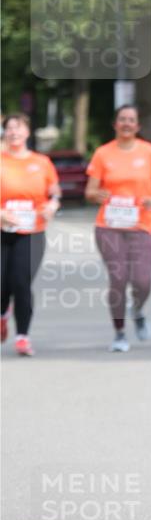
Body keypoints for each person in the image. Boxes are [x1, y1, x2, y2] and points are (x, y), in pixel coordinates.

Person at [85, 105, 151, 353]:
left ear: (137, 126)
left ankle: (138, 310)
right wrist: (96, 194)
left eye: (131, 120)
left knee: (143, 281)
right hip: (109, 226)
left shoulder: (150, 152)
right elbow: (90, 190)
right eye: (122, 119)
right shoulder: (103, 153)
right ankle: (120, 332)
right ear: (115, 124)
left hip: (141, 224)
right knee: (118, 278)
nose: (126, 123)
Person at [1, 113, 61, 356]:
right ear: (5, 133)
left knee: (21, 282)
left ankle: (23, 337)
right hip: (2, 229)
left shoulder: (42, 162)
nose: (14, 131)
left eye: (19, 127)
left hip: (32, 230)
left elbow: (54, 191)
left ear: (27, 132)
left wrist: (53, 205)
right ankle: (3, 314)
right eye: (10, 128)